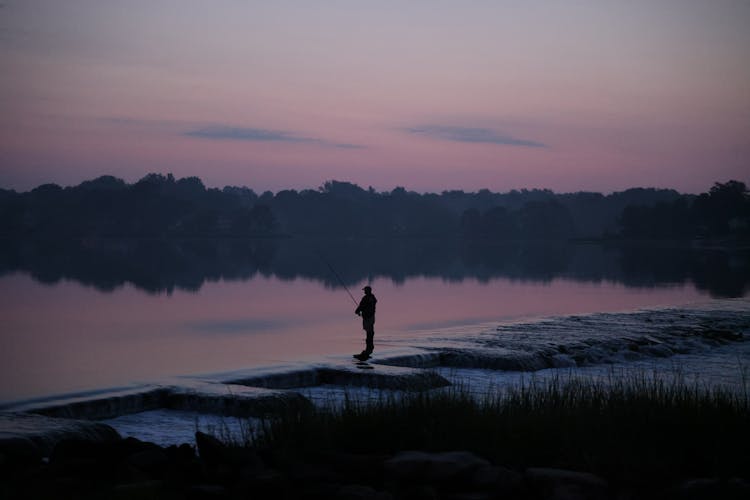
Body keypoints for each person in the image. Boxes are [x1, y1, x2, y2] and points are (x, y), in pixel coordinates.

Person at [354, 285, 377, 360]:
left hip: (367, 317)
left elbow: (361, 306)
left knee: (368, 330)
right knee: (370, 330)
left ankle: (369, 347)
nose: (364, 291)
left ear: (367, 291)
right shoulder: (373, 297)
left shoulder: (366, 298)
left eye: (365, 290)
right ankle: (369, 347)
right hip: (372, 316)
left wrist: (357, 311)